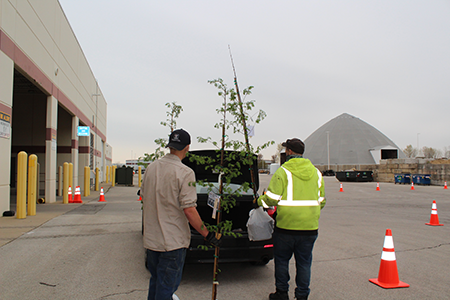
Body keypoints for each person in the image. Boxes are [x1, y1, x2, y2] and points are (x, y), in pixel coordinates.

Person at [141, 128, 221, 300]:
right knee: (166, 288)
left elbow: (144, 197)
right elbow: (189, 210)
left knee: (155, 281)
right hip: (172, 243)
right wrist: (207, 234)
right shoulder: (185, 172)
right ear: (187, 147)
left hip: (152, 240)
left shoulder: (151, 168)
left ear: (170, 146)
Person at [257, 138, 326, 300]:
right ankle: (302, 295)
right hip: (309, 228)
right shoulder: (316, 172)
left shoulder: (283, 171)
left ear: (288, 152)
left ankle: (281, 293)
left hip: (285, 227)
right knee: (304, 263)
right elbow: (322, 201)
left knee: (282, 261)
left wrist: (258, 201)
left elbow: (271, 199)